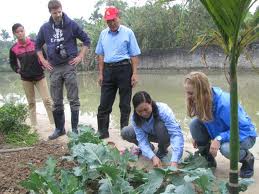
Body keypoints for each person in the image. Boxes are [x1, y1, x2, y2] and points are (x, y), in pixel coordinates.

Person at [184, 71, 257, 178]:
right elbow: (204, 121)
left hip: (245, 136)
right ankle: (208, 159)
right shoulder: (200, 99)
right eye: (187, 92)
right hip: (222, 131)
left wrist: (219, 138)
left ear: (202, 91)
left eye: (191, 93)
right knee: (194, 125)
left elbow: (244, 130)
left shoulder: (225, 103)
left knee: (226, 149)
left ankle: (247, 158)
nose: (188, 96)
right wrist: (197, 137)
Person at [36, 0, 90, 140]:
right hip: (54, 68)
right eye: (55, 13)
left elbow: (86, 41)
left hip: (69, 65)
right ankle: (59, 129)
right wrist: (43, 61)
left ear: (62, 9)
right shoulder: (45, 28)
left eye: (59, 11)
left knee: (73, 99)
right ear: (50, 12)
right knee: (56, 100)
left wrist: (80, 56)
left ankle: (75, 129)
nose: (58, 15)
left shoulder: (71, 24)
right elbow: (37, 47)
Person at [95, 6, 141, 139]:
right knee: (104, 104)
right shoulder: (103, 34)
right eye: (108, 21)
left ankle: (124, 132)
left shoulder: (128, 32)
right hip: (108, 70)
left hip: (124, 70)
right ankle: (102, 132)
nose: (111, 23)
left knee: (125, 104)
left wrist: (134, 74)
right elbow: (101, 55)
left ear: (118, 17)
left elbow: (133, 55)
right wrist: (101, 74)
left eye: (113, 20)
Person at [121, 91, 184, 168]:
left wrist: (175, 160)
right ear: (135, 109)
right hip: (150, 134)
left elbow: (176, 134)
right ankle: (149, 149)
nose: (144, 114)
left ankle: (162, 150)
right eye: (139, 111)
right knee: (125, 132)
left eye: (146, 109)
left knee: (160, 126)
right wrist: (152, 157)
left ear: (150, 103)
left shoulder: (163, 110)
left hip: (164, 134)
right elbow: (141, 139)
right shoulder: (135, 118)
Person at [9, 23, 54, 131]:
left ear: (24, 31)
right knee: (31, 102)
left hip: (40, 77)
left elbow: (44, 56)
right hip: (26, 79)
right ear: (14, 34)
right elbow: (12, 63)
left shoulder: (35, 43)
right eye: (17, 32)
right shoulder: (14, 49)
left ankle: (53, 123)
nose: (20, 33)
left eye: (21, 31)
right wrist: (18, 70)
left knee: (47, 100)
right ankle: (34, 126)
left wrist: (44, 65)